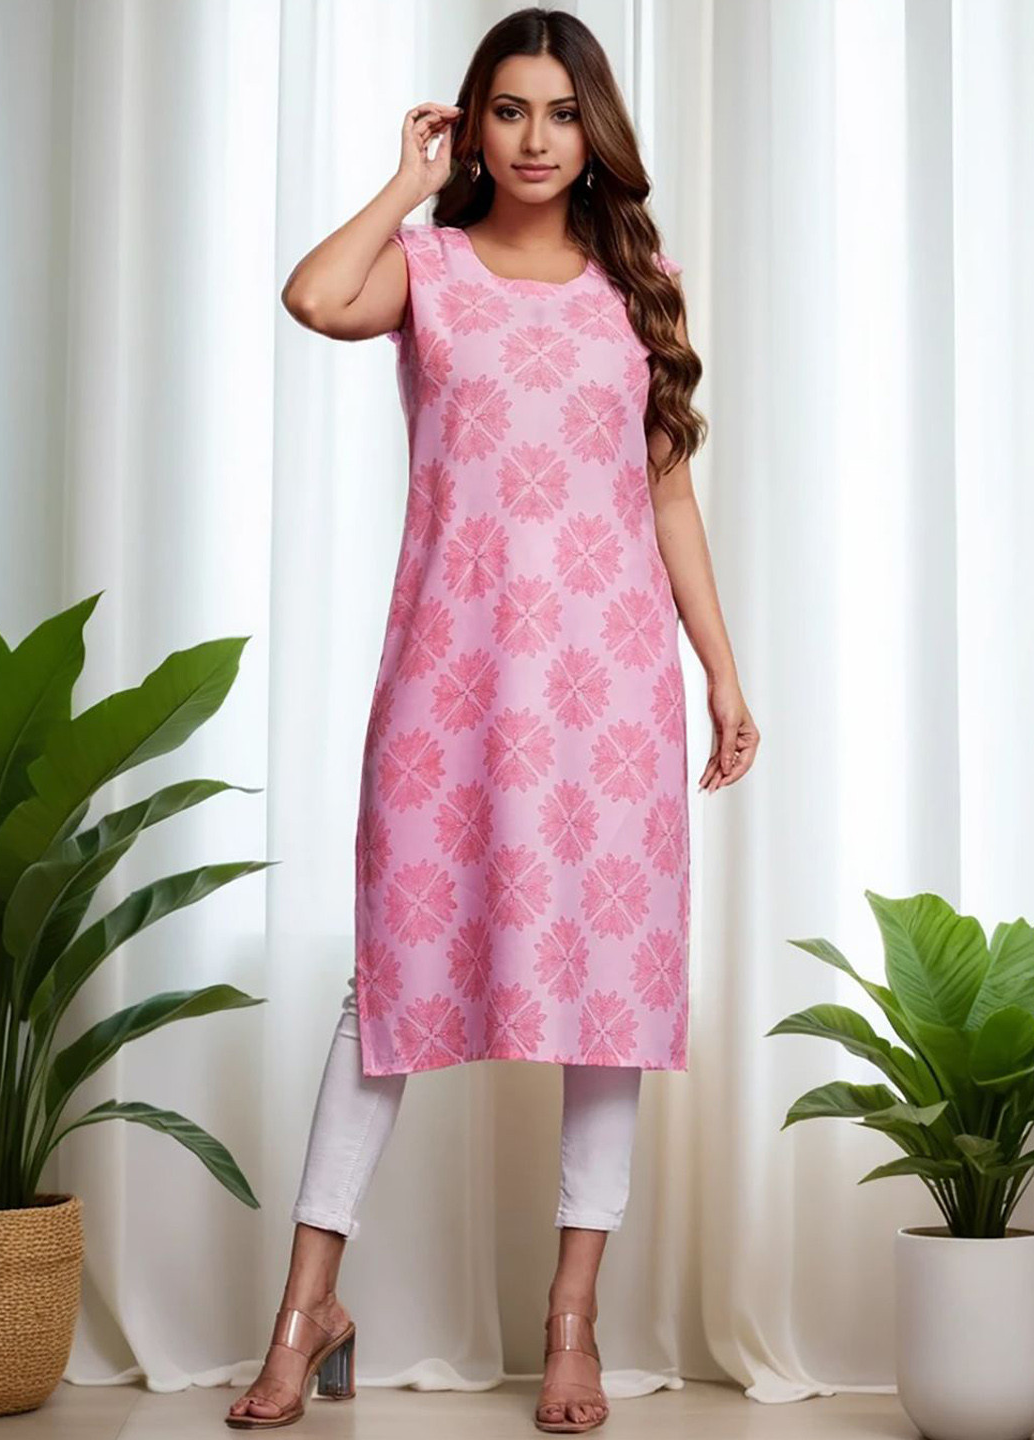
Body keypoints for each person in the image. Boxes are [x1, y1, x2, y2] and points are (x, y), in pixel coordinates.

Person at [227, 6, 759, 1433]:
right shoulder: (431, 268)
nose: (535, 139)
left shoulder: (641, 284)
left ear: (596, 131)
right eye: (508, 110)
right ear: (473, 125)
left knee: (609, 1003)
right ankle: (305, 1311)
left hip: (609, 694)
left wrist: (719, 669)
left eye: (561, 112)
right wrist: (406, 185)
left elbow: (665, 494)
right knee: (388, 994)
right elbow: (312, 298)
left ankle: (571, 1323)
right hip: (450, 683)